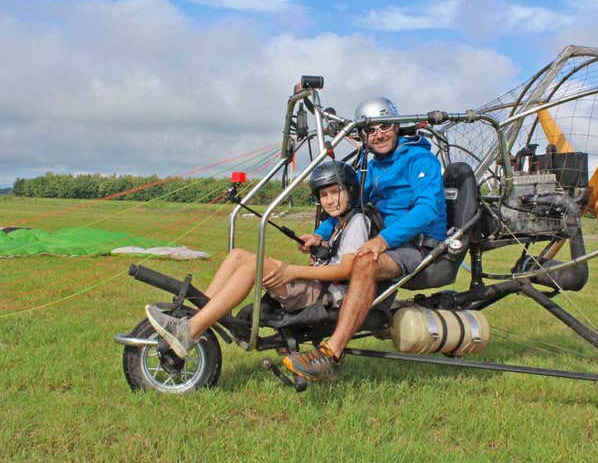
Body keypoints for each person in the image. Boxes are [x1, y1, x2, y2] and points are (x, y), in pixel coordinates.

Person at [283, 97, 447, 381]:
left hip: (415, 246)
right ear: (363, 135)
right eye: (371, 130)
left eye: (385, 126)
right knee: (341, 261)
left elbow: (427, 209)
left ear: (396, 128)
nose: (379, 134)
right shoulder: (373, 168)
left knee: (364, 262)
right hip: (386, 241)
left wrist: (382, 240)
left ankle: (331, 355)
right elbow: (352, 205)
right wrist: (320, 236)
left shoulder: (420, 160)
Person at [144, 161, 370, 359]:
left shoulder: (357, 221)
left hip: (325, 295)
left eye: (334, 192)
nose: (330, 200)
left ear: (349, 190)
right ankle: (198, 316)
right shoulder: (341, 224)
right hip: (315, 286)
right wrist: (318, 243)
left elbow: (348, 270)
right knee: (238, 256)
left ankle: (189, 332)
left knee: (253, 266)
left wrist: (294, 271)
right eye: (324, 195)